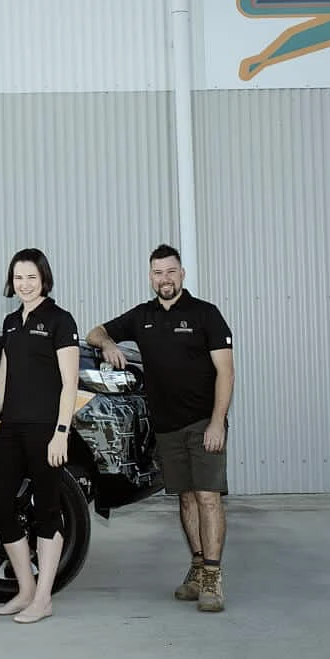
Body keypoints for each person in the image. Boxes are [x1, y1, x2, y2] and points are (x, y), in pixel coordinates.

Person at [87, 245, 234, 612]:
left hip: (203, 423)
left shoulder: (206, 315)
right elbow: (96, 331)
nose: (164, 279)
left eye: (170, 272)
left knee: (207, 497)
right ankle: (198, 567)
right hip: (166, 428)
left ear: (181, 274)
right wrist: (107, 344)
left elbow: (226, 372)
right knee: (185, 498)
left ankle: (214, 578)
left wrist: (217, 422)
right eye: (157, 273)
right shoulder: (142, 316)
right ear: (150, 276)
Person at [0, 248, 80, 623]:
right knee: (1, 504)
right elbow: (4, 380)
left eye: (31, 277)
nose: (24, 284)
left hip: (46, 429)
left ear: (44, 279)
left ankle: (44, 598)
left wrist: (61, 433)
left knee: (47, 511)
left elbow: (70, 384)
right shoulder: (12, 322)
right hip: (12, 428)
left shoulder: (59, 320)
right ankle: (26, 590)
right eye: (18, 277)